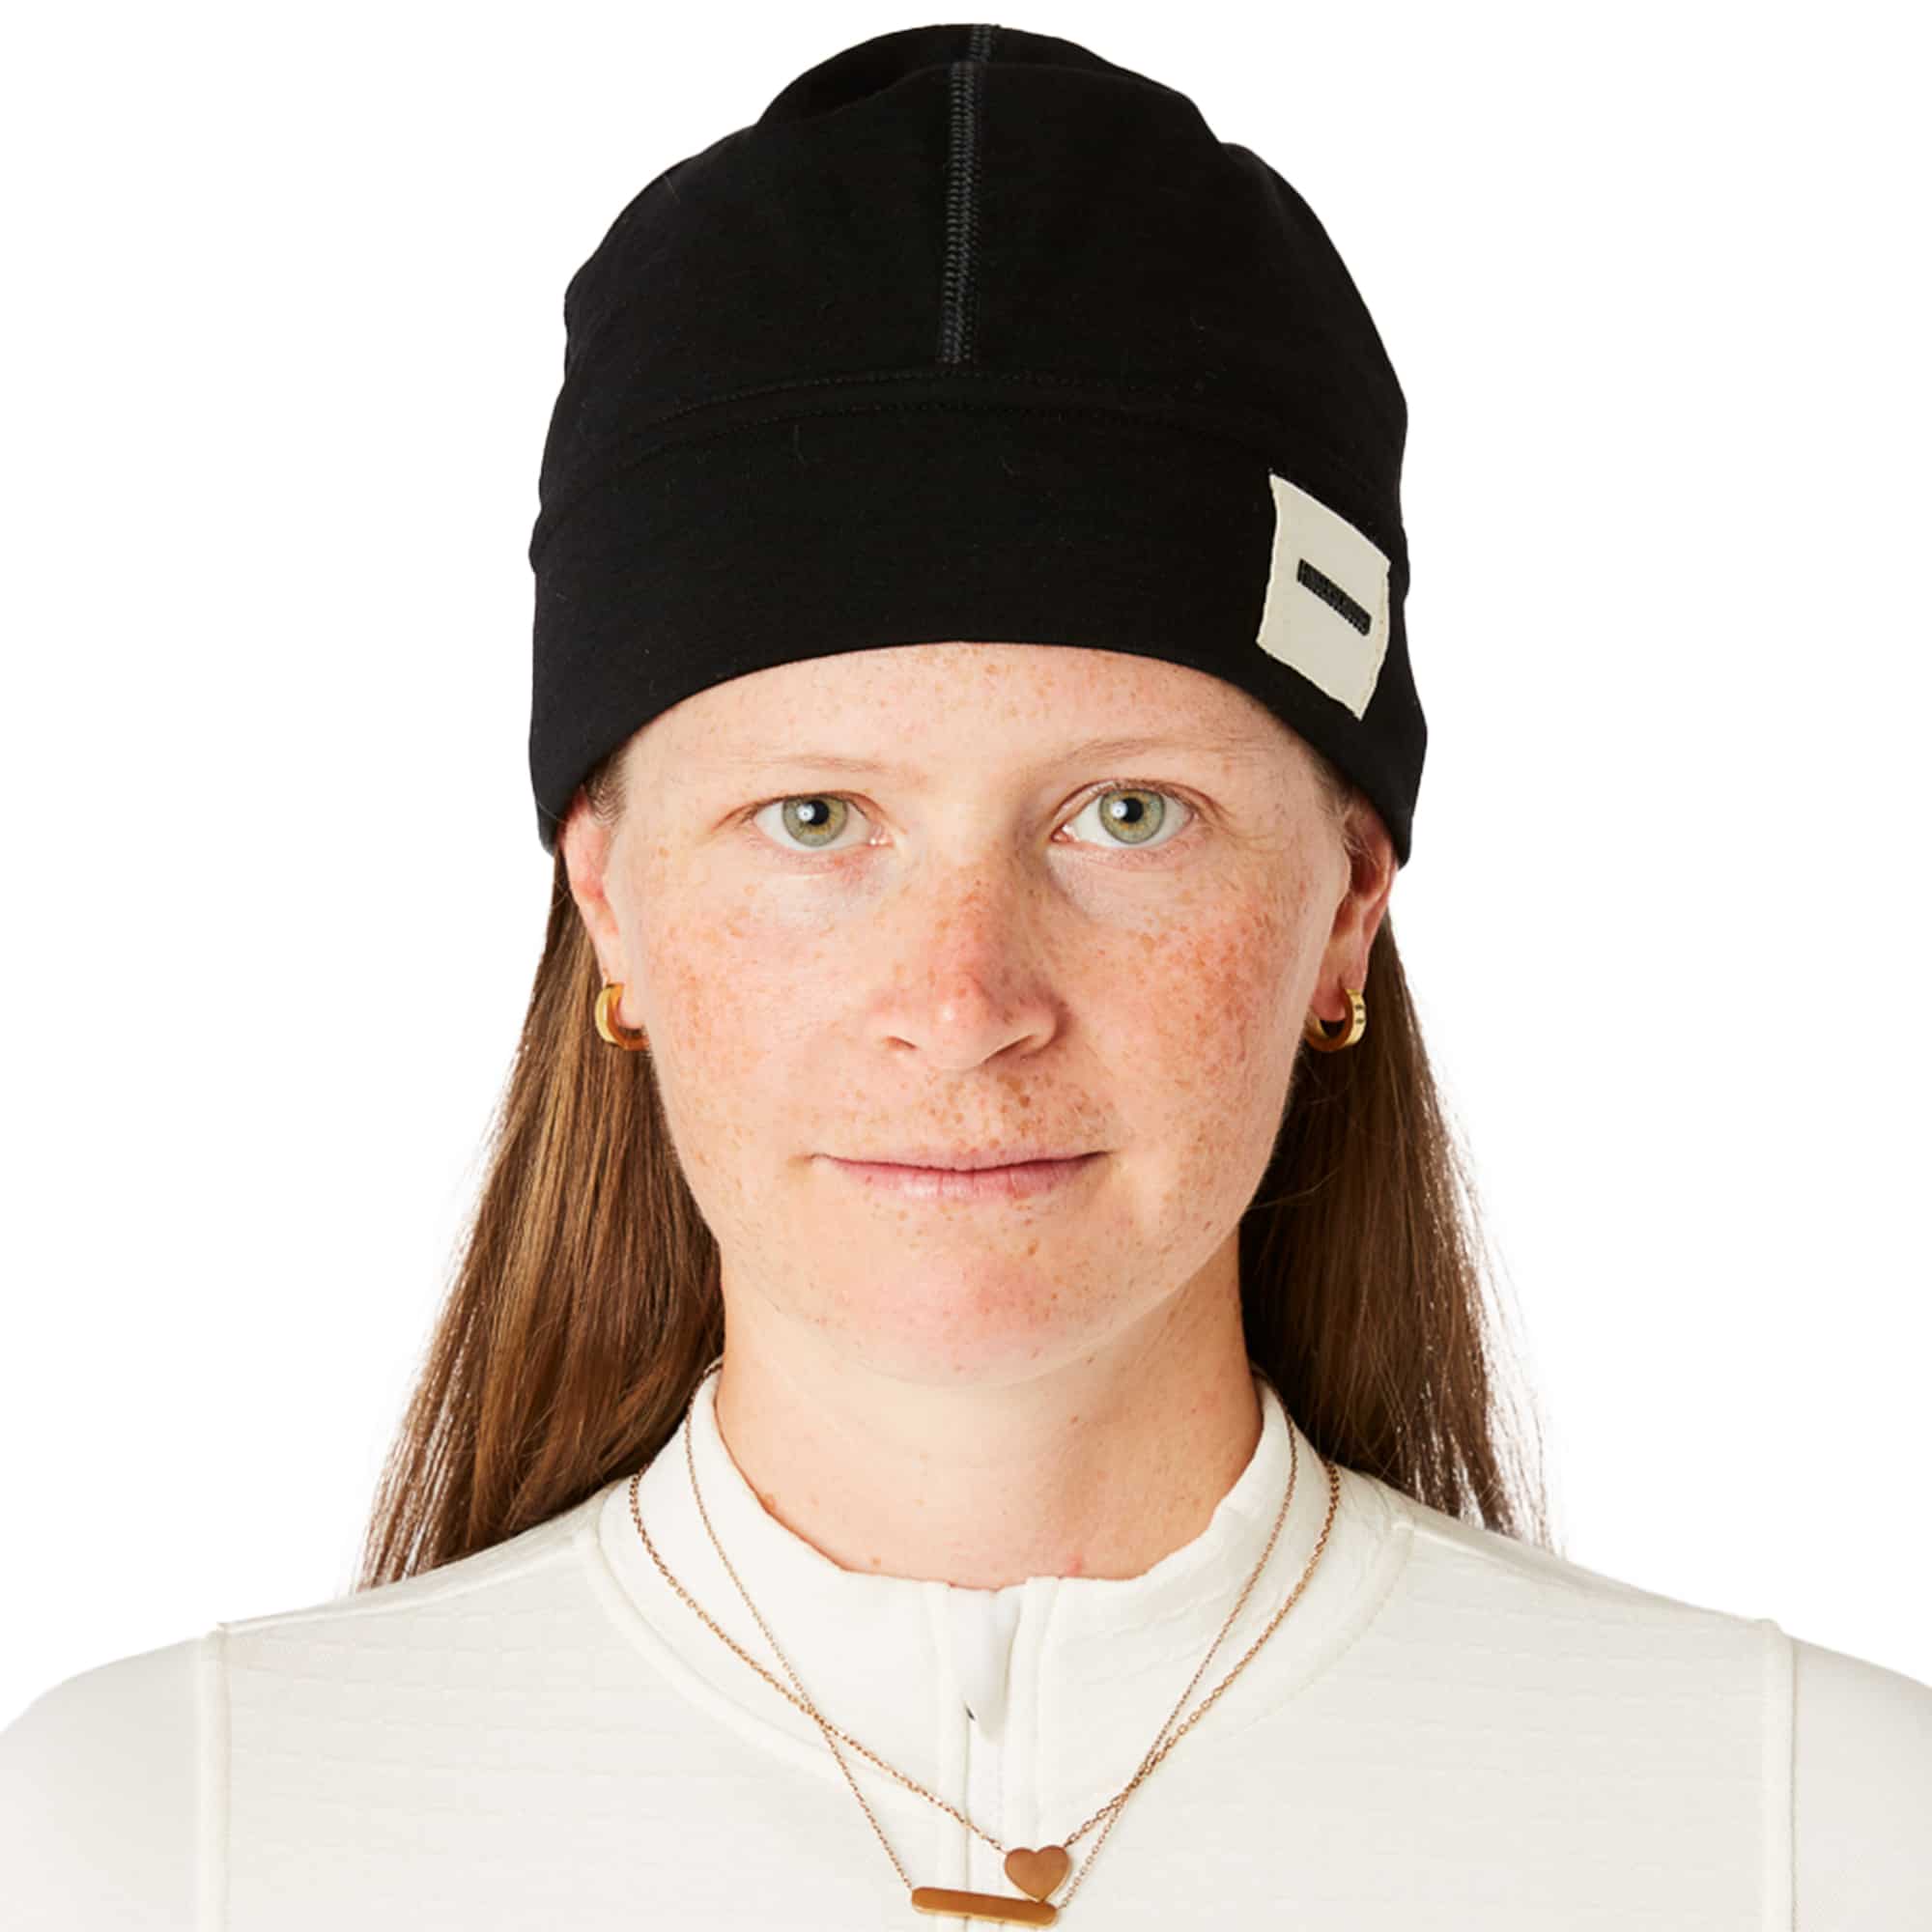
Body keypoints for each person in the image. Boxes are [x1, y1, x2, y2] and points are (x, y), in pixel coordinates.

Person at [4, 20, 1927, 1928]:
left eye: (1125, 816)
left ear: (1347, 899)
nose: (964, 995)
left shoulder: (1816, 1833)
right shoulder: (156, 1837)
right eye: (816, 817)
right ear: (611, 905)